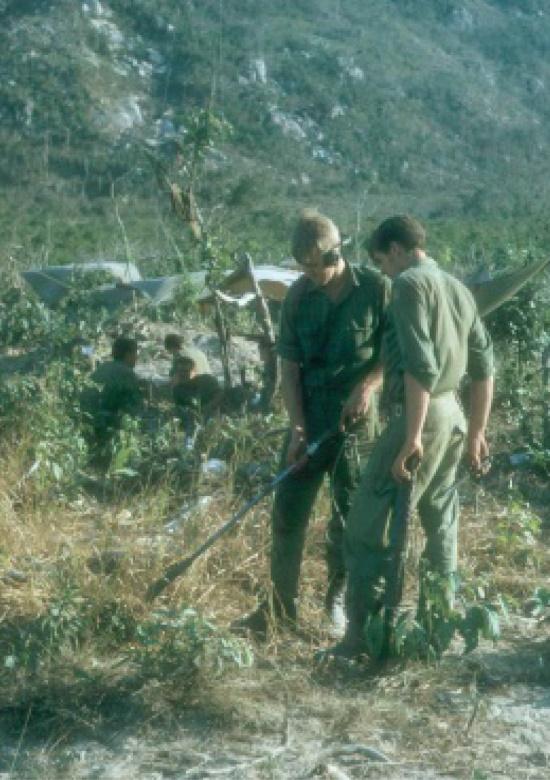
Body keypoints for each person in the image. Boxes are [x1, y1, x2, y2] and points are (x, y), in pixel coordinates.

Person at [328, 215, 494, 659]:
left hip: (424, 416)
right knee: (442, 529)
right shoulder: (458, 289)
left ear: (398, 250)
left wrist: (412, 437)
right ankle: (436, 636)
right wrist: (476, 432)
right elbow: (484, 368)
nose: (384, 271)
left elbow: (420, 367)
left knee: (365, 528)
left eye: (383, 261)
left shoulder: (407, 286)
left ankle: (361, 639)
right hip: (454, 415)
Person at [233, 209, 389, 638]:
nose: (310, 276)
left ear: (337, 253)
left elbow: (393, 351)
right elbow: (289, 366)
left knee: (347, 520)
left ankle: (337, 602)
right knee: (287, 514)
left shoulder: (376, 289)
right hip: (309, 418)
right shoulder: (299, 296)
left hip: (355, 426)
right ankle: (279, 609)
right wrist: (297, 428)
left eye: (316, 267)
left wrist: (369, 386)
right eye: (303, 268)